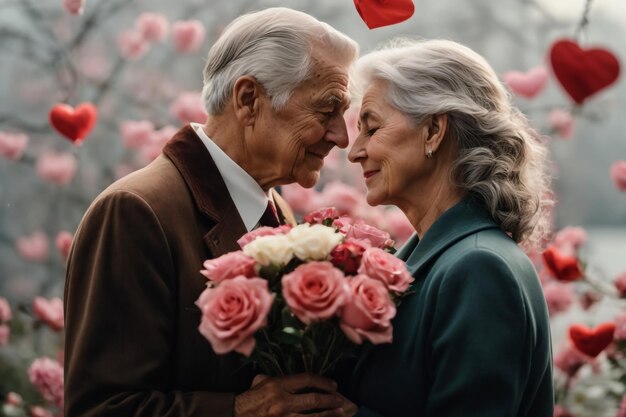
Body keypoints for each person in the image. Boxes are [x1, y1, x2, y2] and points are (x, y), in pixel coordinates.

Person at [64, 7, 358, 417]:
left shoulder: (282, 215)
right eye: (327, 110)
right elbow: (101, 409)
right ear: (248, 99)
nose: (341, 137)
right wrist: (239, 412)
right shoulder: (136, 212)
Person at [344, 39, 554, 417]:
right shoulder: (434, 257)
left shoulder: (479, 270)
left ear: (433, 131)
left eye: (371, 129)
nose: (354, 150)